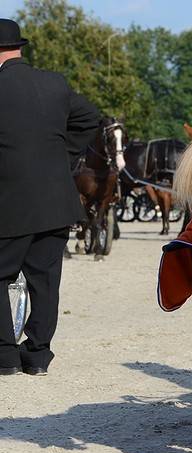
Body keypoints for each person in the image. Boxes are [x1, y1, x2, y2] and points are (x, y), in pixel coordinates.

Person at [0, 19, 100, 376]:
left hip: (10, 203)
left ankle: (5, 356)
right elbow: (90, 118)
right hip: (56, 202)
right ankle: (37, 355)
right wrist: (62, 154)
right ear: (18, 48)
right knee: (44, 280)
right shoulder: (54, 83)